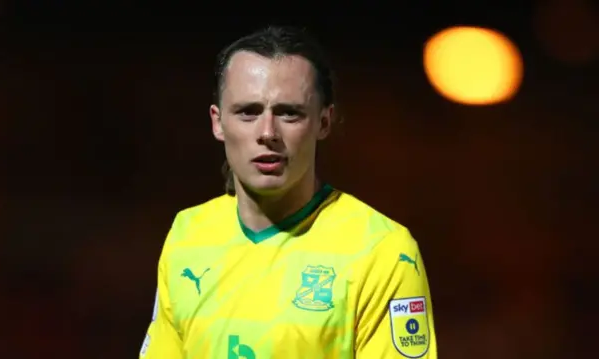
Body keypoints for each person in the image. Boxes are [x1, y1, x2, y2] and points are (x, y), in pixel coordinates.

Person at [139, 25, 437, 359]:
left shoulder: (382, 250)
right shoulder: (187, 235)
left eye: (289, 113)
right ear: (217, 122)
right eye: (248, 112)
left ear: (324, 122)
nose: (267, 132)